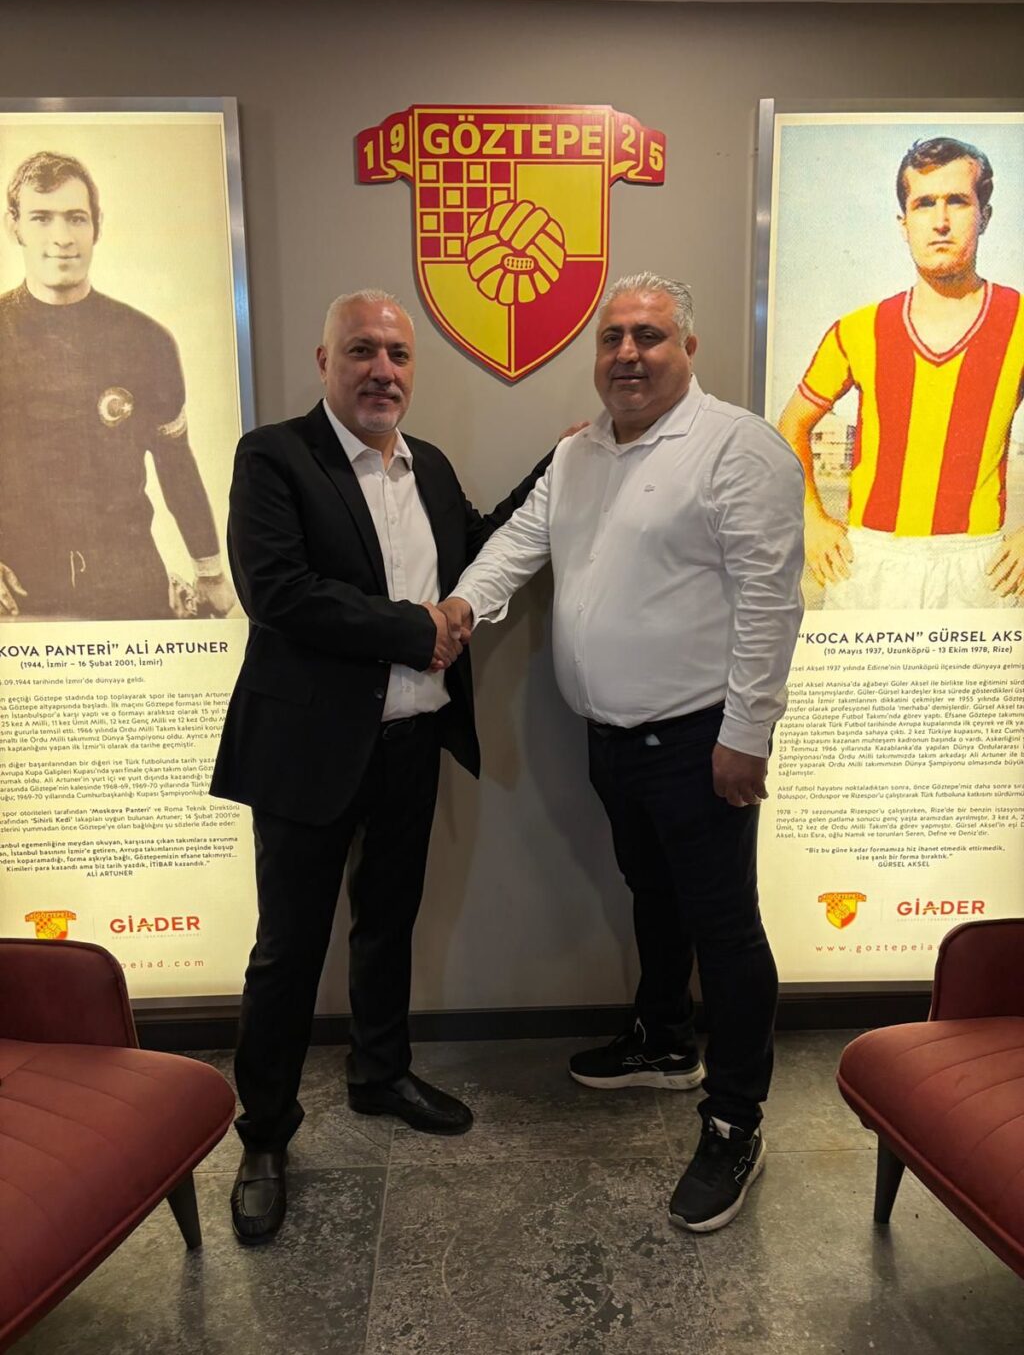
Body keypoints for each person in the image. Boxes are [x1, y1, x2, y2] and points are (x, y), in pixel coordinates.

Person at [442, 272, 804, 1233]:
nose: (628, 354)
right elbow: (517, 547)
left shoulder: (738, 447)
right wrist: (461, 606)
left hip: (700, 742)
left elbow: (771, 602)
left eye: (649, 335)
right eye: (613, 339)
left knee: (726, 927)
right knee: (655, 894)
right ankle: (664, 1038)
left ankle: (734, 1117)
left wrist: (747, 735)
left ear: (689, 348)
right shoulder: (579, 453)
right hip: (609, 741)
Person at [210, 289, 548, 1245]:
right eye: (361, 350)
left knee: (388, 921)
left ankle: (379, 1073)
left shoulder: (427, 465)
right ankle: (264, 1134)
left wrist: (559, 467)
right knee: (288, 950)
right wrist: (417, 630)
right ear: (325, 361)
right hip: (307, 751)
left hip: (410, 742)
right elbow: (279, 593)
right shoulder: (273, 457)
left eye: (398, 354)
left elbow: (480, 544)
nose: (382, 371)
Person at [777, 136, 1024, 608]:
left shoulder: (1019, 321)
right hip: (871, 561)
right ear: (903, 223)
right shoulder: (858, 329)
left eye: (958, 201)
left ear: (985, 215)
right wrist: (811, 517)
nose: (941, 221)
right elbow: (792, 424)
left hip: (979, 566)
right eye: (924, 204)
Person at [0, 150, 234, 620]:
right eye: (42, 218)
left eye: (76, 218)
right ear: (15, 226)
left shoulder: (147, 339)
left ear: (97, 226)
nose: (62, 237)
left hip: (130, 587)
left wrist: (209, 573)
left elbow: (176, 463)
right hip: (21, 597)